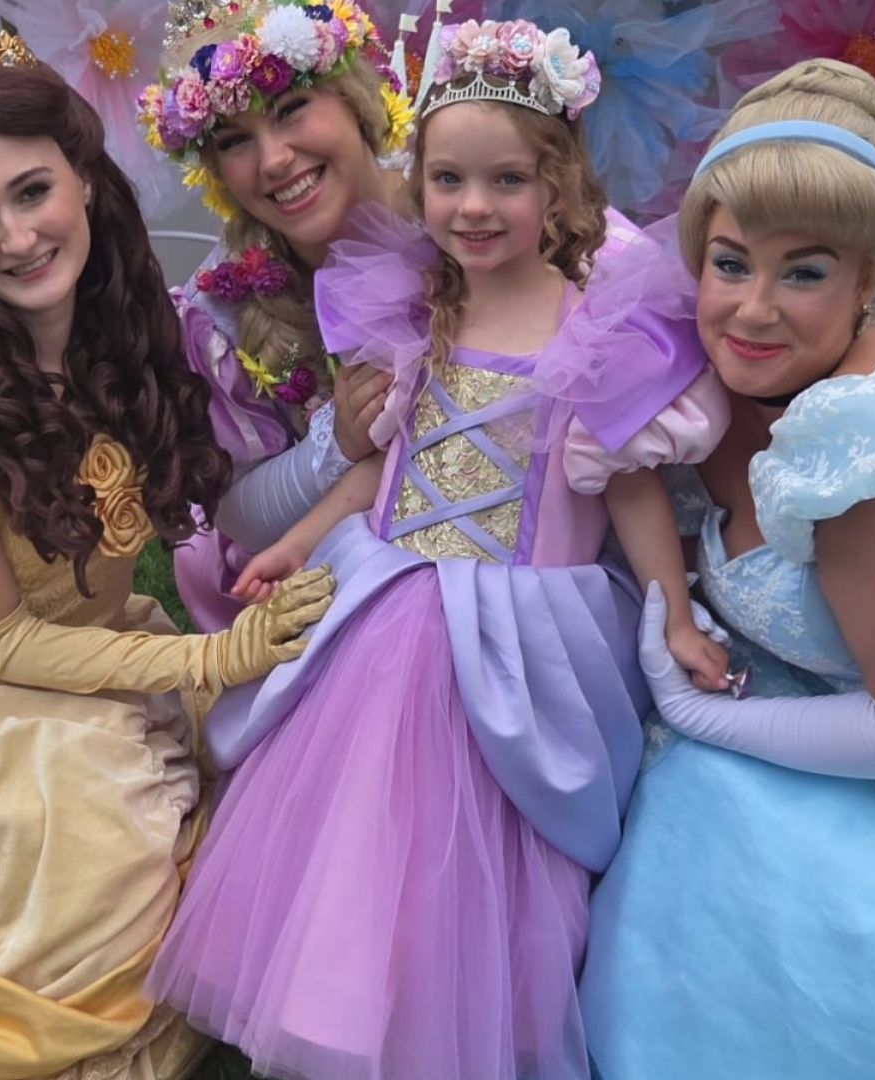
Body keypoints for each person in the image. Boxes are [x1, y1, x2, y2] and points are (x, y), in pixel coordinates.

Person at [145, 19, 729, 1080]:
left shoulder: (594, 322)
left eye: (505, 182)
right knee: (359, 820)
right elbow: (385, 469)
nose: (472, 206)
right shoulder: (423, 305)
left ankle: (457, 1016)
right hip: (391, 601)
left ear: (556, 190)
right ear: (423, 185)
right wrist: (305, 542)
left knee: (486, 845)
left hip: (518, 619)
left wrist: (676, 614)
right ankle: (332, 1008)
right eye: (450, 181)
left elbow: (632, 486)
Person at [0, 27, 332, 1080]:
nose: (15, 238)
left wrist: (342, 450)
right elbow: (5, 644)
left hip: (99, 650)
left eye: (31, 192)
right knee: (99, 877)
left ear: (86, 184)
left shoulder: (136, 331)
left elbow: (220, 489)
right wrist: (204, 662)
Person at [580, 58, 875, 1080]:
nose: (753, 311)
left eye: (803, 272)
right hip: (792, 738)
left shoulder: (862, 440)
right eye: (730, 263)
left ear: (869, 280)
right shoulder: (707, 377)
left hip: (869, 781)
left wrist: (711, 719)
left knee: (701, 798)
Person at [137, 0, 415, 635]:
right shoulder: (221, 307)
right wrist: (337, 444)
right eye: (235, 141)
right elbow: (237, 516)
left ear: (355, 99)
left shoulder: (459, 204)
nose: (275, 161)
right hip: (311, 578)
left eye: (291, 110)